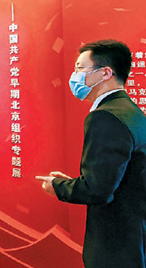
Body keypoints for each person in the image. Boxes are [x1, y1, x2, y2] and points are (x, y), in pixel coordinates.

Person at [36, 39, 146, 268]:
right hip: (134, 236)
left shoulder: (105, 117)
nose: (74, 76)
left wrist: (58, 186)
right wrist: (76, 182)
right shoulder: (130, 110)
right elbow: (114, 177)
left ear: (105, 73)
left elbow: (98, 190)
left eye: (80, 68)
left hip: (116, 245)